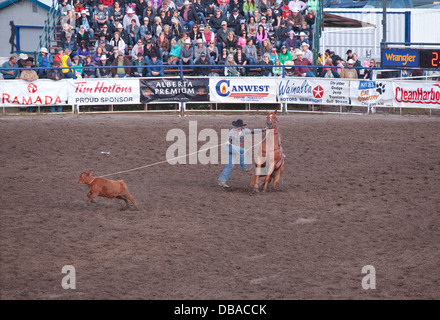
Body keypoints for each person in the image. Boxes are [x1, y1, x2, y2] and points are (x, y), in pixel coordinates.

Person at [217, 119, 266, 188]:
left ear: (241, 126)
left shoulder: (244, 131)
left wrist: (263, 130)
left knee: (230, 165)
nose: (237, 127)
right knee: (243, 151)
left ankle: (221, 180)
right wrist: (227, 141)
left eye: (238, 126)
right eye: (236, 126)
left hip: (235, 148)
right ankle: (244, 166)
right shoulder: (232, 131)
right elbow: (228, 137)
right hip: (230, 146)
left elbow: (253, 131)